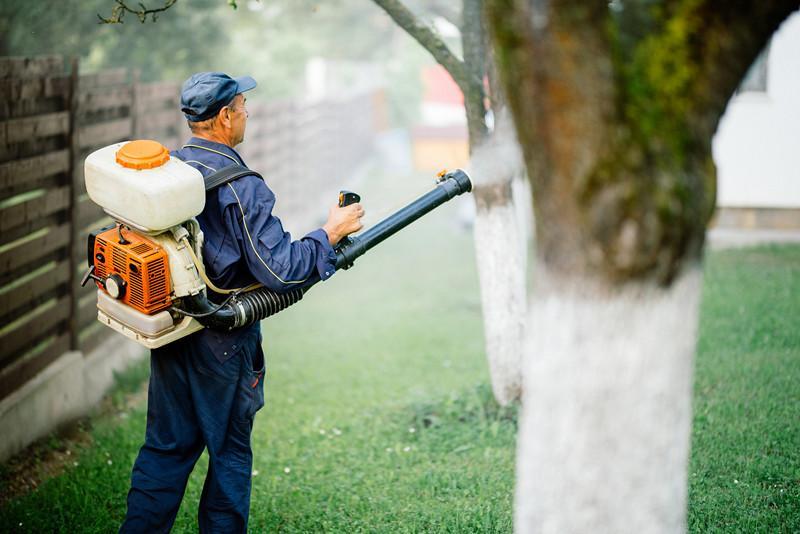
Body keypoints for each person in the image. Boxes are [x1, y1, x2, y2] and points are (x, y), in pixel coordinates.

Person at [120, 72, 364, 533]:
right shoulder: (240, 185)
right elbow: (281, 271)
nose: (247, 113)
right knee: (229, 453)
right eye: (243, 106)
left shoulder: (171, 170)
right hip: (224, 342)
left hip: (174, 329)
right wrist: (330, 232)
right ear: (224, 117)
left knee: (165, 449)